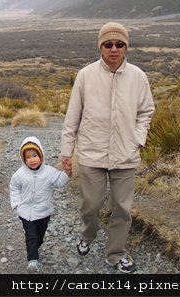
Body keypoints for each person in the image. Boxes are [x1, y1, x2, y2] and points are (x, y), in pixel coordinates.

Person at [61, 22, 154, 274]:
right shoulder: (85, 75)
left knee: (122, 209)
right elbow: (73, 116)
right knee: (90, 204)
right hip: (92, 153)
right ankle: (88, 234)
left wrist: (138, 138)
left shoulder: (138, 76)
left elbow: (146, 110)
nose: (114, 49)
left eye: (119, 44)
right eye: (108, 44)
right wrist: (66, 151)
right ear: (100, 46)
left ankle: (115, 253)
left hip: (126, 155)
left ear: (126, 47)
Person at [10, 136, 70, 273]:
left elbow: (59, 182)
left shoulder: (49, 172)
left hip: (44, 212)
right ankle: (32, 259)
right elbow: (14, 189)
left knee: (39, 236)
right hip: (26, 213)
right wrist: (16, 205)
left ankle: (34, 248)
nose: (32, 160)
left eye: (35, 155)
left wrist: (67, 173)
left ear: (41, 155)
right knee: (31, 235)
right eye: (28, 157)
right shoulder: (19, 175)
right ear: (23, 159)